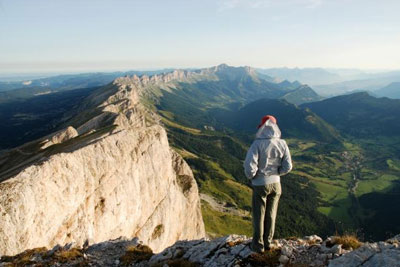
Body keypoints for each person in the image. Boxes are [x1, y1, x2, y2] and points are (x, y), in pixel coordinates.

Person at [243, 115, 292, 253]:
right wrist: (277, 173)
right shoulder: (282, 143)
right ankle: (268, 243)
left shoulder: (257, 144)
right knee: (271, 214)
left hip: (260, 184)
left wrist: (252, 177)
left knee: (259, 215)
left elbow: (249, 166)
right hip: (276, 183)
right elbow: (288, 166)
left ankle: (258, 246)